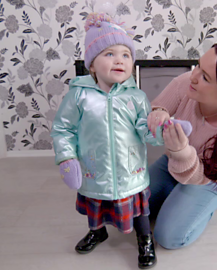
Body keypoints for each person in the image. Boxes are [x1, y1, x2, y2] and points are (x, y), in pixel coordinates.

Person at [51, 13, 160, 269]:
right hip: (94, 168)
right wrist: (66, 157)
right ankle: (98, 231)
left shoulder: (137, 96)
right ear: (92, 64)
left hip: (131, 170)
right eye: (109, 54)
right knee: (95, 205)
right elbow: (62, 129)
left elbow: (145, 129)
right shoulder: (79, 96)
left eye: (126, 55)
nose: (119, 60)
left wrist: (161, 131)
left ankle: (145, 238)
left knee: (140, 209)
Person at [146, 42, 217, 249]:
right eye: (198, 65)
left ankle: (204, 208)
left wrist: (182, 152)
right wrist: (159, 111)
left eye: (205, 77)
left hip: (209, 179)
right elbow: (156, 106)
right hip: (172, 164)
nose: (194, 76)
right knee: (130, 209)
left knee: (168, 238)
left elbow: (207, 174)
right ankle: (175, 194)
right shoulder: (186, 83)